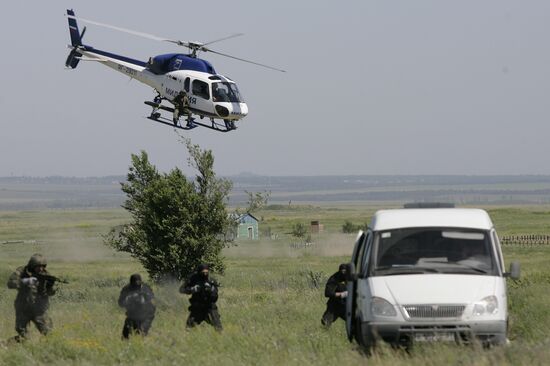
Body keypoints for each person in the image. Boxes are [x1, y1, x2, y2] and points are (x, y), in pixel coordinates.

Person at [7, 253, 57, 341]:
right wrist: (25, 281)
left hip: (39, 308)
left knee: (48, 332)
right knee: (21, 331)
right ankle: (16, 345)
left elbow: (50, 293)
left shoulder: (45, 274)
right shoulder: (22, 271)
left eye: (43, 266)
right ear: (32, 265)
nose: (41, 269)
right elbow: (10, 283)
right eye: (38, 266)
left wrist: (50, 286)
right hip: (23, 307)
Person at [179, 264, 222, 331]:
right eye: (203, 272)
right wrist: (192, 289)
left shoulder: (211, 281)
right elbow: (181, 289)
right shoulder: (193, 278)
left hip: (209, 306)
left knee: (218, 326)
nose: (205, 274)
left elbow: (215, 297)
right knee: (188, 327)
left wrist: (210, 290)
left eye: (206, 272)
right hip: (197, 306)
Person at [118, 274, 156, 339]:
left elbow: (153, 303)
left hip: (145, 316)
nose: (136, 288)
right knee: (125, 338)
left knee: (141, 335)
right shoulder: (126, 289)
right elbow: (120, 303)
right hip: (132, 315)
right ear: (131, 284)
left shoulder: (146, 288)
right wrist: (128, 299)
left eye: (138, 286)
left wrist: (145, 297)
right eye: (134, 286)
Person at [321, 263, 348, 327]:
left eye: (346, 272)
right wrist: (342, 294)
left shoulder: (353, 277)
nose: (344, 273)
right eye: (343, 272)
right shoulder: (334, 278)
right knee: (325, 322)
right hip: (335, 304)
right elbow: (328, 293)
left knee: (355, 326)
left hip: (348, 305)